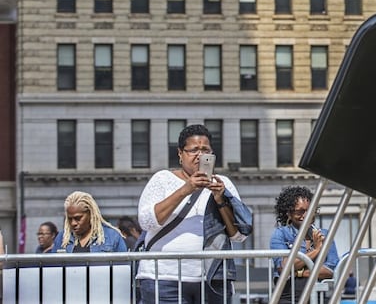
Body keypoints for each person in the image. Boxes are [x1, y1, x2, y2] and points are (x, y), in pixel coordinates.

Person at [136, 123, 251, 304]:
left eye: (205, 150)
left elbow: (238, 235)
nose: (199, 155)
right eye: (193, 150)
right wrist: (186, 189)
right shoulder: (162, 179)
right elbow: (147, 221)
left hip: (211, 278)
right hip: (163, 278)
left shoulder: (224, 184)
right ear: (180, 154)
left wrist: (220, 199)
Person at [270, 185, 339, 304]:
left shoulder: (324, 234)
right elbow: (283, 266)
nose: (306, 215)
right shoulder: (281, 233)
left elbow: (331, 270)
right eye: (300, 211)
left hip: (319, 296)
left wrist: (298, 272)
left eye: (310, 210)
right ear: (289, 213)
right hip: (288, 296)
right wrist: (317, 250)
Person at [51, 191, 127, 253]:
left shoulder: (112, 237)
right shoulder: (62, 238)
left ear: (91, 214)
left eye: (78, 218)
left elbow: (124, 267)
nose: (73, 223)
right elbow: (52, 268)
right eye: (70, 219)